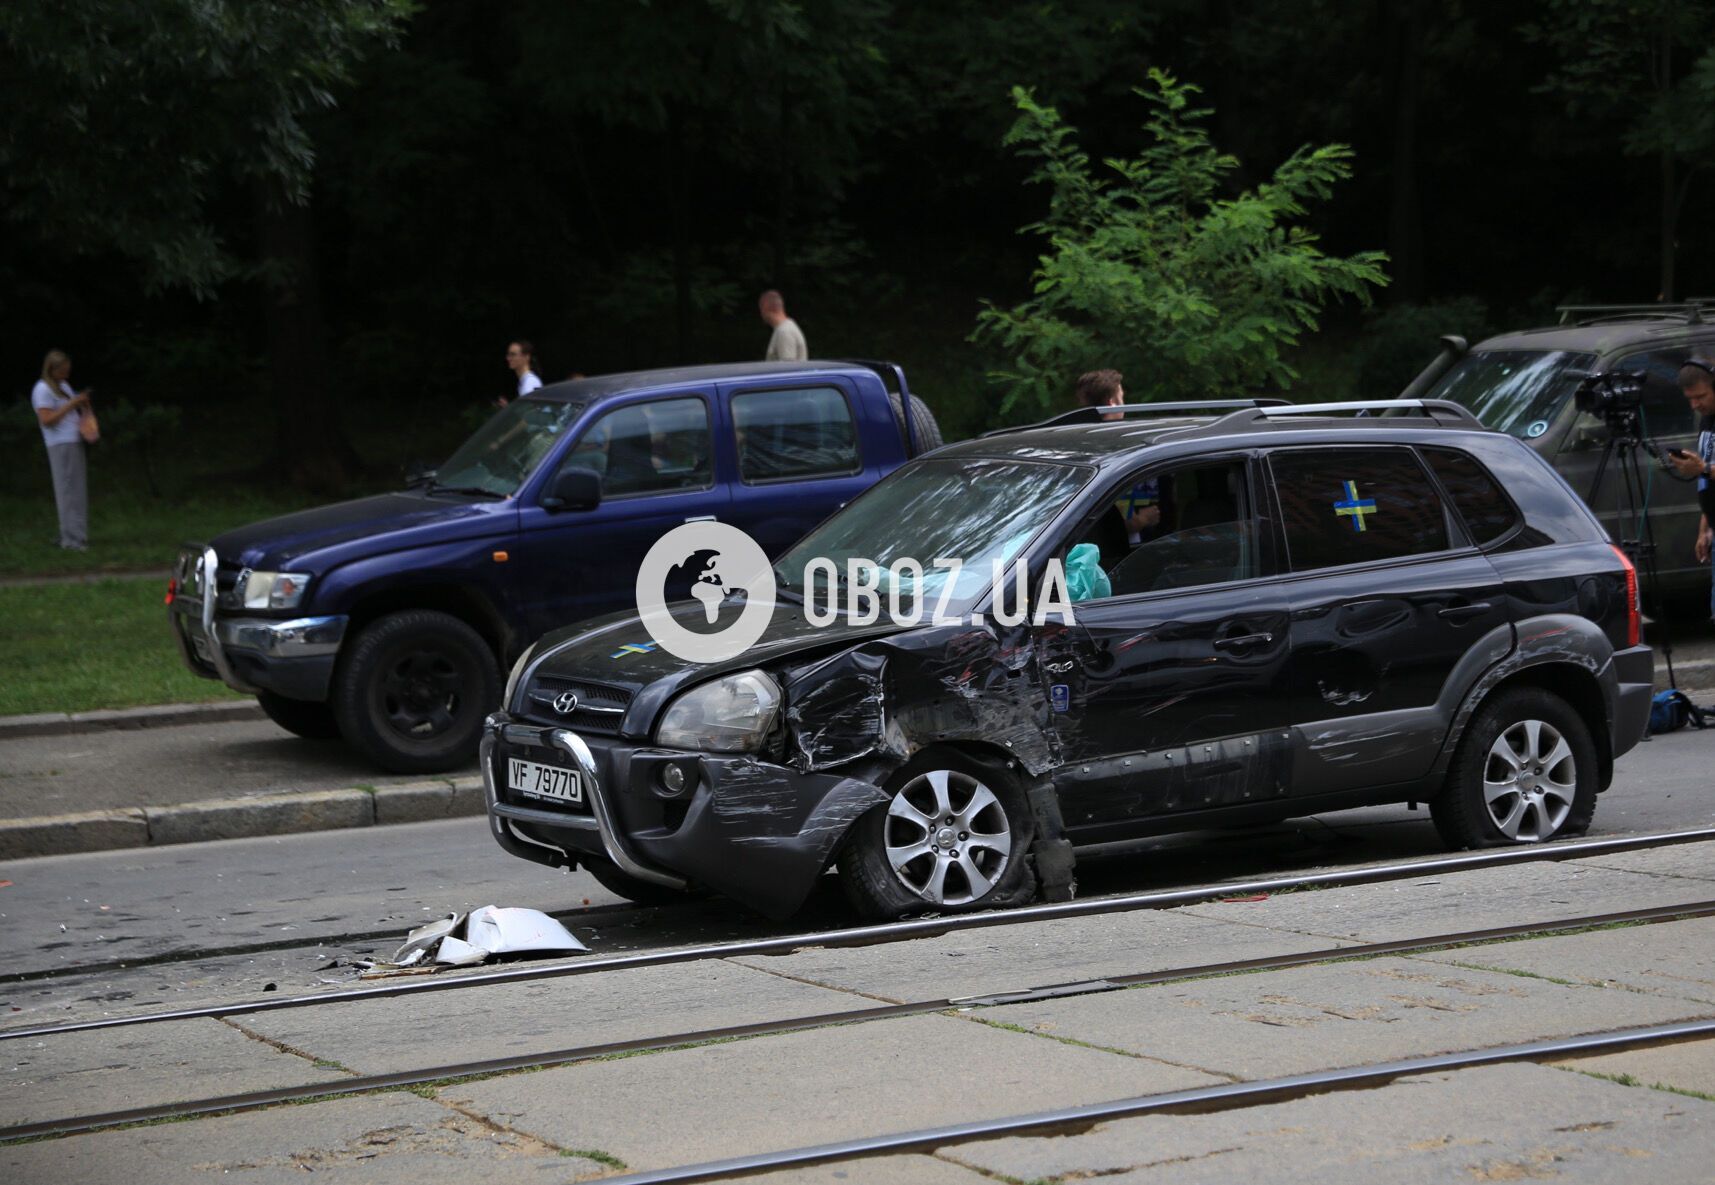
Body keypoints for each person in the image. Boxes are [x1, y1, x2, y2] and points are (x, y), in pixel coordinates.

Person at [1076, 368, 1165, 544]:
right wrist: (1139, 522)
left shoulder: (1077, 447)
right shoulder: (1119, 452)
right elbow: (1097, 529)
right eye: (1122, 397)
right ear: (1112, 403)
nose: (1125, 404)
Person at [1667, 357, 1715, 618]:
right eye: (1690, 399)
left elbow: (1706, 470)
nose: (1695, 404)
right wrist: (1704, 529)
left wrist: (1703, 469)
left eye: (1701, 396)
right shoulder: (1707, 421)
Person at [32, 349, 92, 551]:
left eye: (68, 370)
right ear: (52, 369)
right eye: (62, 371)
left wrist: (81, 403)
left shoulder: (63, 386)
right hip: (60, 444)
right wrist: (73, 403)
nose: (66, 374)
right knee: (67, 490)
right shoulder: (42, 389)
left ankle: (74, 533)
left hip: (73, 441)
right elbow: (47, 420)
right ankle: (72, 539)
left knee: (77, 490)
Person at [758, 290, 807, 361]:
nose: (761, 314)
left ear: (765, 307)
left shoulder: (784, 332)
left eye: (760, 309)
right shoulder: (785, 329)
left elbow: (788, 369)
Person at [500, 340, 541, 407]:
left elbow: (528, 415)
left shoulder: (530, 382)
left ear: (527, 357)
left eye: (513, 354)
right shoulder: (525, 381)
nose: (508, 358)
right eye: (508, 354)